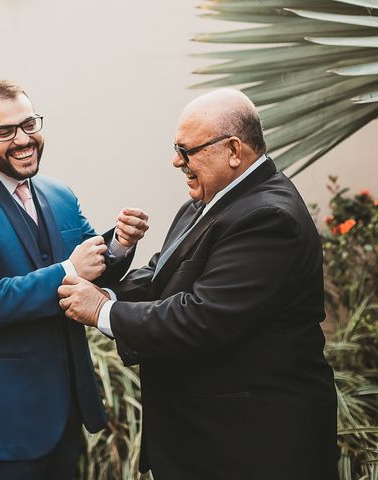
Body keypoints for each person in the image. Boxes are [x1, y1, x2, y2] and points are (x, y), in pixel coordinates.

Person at [58, 89, 339, 479]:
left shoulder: (269, 217)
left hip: (251, 445)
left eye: (186, 150)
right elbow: (164, 276)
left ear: (234, 150)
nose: (177, 161)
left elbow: (204, 316)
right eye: (176, 148)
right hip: (207, 439)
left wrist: (104, 311)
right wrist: (108, 290)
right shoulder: (207, 200)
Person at [0, 80, 149, 479]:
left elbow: (90, 270)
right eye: (5, 131)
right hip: (2, 423)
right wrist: (69, 270)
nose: (23, 139)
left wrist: (118, 247)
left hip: (66, 413)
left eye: (29, 125)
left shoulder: (58, 193)